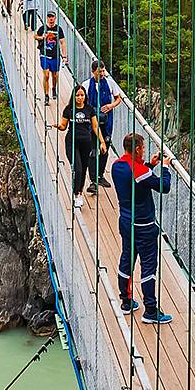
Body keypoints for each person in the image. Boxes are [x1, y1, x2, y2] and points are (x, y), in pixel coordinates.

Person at [110, 134, 173, 325]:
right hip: (144, 226)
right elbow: (164, 186)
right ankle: (151, 311)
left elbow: (136, 180)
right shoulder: (138, 171)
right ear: (137, 149)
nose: (144, 151)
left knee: (126, 259)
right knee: (148, 267)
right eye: (143, 148)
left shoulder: (116, 166)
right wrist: (165, 167)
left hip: (126, 222)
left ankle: (126, 301)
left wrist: (150, 165)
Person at [53, 83, 106, 209]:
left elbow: (95, 127)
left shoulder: (89, 109)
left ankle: (79, 191)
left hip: (86, 143)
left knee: (83, 169)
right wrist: (58, 126)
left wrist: (102, 142)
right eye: (77, 95)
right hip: (71, 142)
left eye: (82, 95)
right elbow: (64, 126)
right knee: (78, 168)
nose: (80, 98)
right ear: (74, 96)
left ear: (85, 96)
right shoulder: (69, 110)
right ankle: (76, 194)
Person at [86, 60, 124, 186]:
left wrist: (111, 105)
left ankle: (100, 175)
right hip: (92, 122)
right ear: (93, 72)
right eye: (99, 72)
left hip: (106, 121)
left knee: (105, 149)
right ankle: (93, 180)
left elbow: (119, 98)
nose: (102, 74)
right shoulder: (86, 85)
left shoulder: (110, 83)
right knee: (92, 150)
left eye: (103, 71)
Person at [35, 9, 66, 104]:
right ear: (47, 18)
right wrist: (42, 37)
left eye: (52, 17)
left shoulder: (58, 29)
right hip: (44, 55)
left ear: (55, 18)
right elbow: (36, 36)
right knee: (47, 75)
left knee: (55, 75)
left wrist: (64, 56)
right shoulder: (43, 28)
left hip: (55, 56)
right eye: (49, 17)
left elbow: (62, 42)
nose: (51, 19)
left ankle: (53, 88)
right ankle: (46, 95)